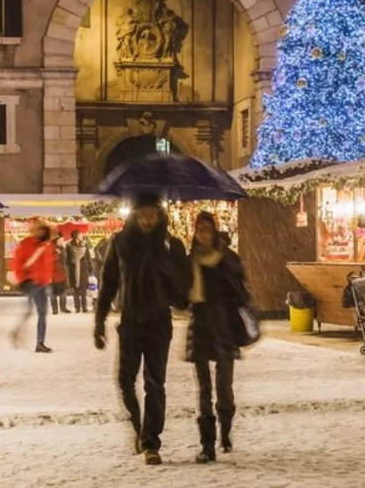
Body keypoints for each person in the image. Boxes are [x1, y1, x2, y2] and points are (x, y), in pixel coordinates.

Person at [94, 193, 190, 466]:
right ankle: (139, 426)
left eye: (152, 215)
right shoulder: (121, 243)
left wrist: (173, 267)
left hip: (159, 321)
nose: (148, 220)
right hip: (131, 320)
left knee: (154, 383)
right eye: (142, 215)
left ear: (159, 216)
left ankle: (151, 442)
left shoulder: (171, 245)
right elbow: (108, 282)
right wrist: (99, 321)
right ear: (134, 216)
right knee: (125, 380)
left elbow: (182, 292)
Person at [187, 211, 250, 464]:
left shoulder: (228, 258)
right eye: (199, 230)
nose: (202, 235)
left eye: (206, 229)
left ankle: (225, 432)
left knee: (224, 386)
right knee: (203, 388)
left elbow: (241, 291)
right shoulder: (190, 259)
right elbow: (182, 293)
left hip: (224, 327)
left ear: (213, 231)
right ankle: (207, 444)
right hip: (201, 325)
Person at [12, 219, 55, 353]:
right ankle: (17, 333)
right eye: (38, 229)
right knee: (31, 311)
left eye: (42, 229)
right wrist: (22, 279)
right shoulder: (26, 244)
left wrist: (49, 279)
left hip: (42, 283)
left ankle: (40, 342)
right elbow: (18, 263)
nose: (40, 231)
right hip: (31, 282)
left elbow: (48, 264)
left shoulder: (45, 245)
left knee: (42, 313)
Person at [67, 231, 95, 313]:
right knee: (76, 289)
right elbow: (68, 259)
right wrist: (71, 265)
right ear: (76, 236)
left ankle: (84, 307)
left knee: (83, 289)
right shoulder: (69, 246)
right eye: (80, 234)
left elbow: (88, 257)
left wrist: (91, 268)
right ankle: (77, 307)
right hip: (74, 269)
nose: (82, 235)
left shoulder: (84, 244)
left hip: (83, 268)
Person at [49, 233, 71, 315]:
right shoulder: (50, 248)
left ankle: (63, 307)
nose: (63, 241)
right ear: (57, 239)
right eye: (61, 239)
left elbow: (65, 259)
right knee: (53, 293)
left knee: (64, 291)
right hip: (53, 274)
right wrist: (57, 254)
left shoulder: (62, 247)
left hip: (62, 273)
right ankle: (55, 309)